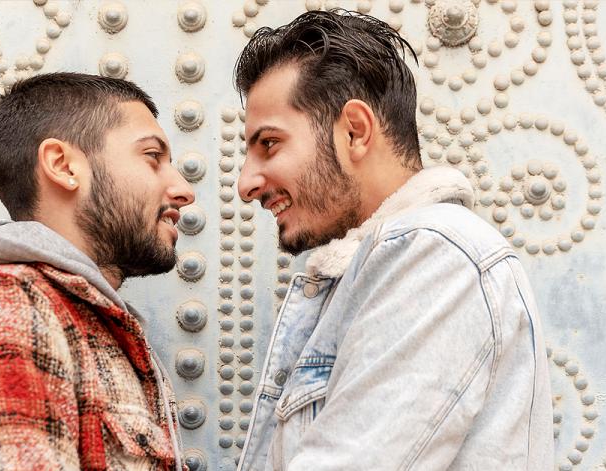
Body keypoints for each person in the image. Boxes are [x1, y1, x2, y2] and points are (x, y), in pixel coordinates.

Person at [234, 10, 552, 470]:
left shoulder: (436, 256)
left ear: (355, 132)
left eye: (269, 144)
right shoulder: (378, 269)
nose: (246, 184)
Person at [0, 72, 194, 470]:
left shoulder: (68, 316)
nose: (184, 189)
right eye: (153, 157)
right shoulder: (0, 308)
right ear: (63, 166)